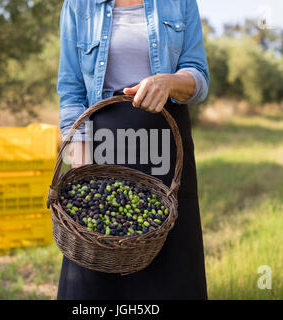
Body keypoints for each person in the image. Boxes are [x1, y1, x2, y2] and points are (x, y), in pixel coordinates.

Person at [56, 0, 209, 300]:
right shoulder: (78, 5)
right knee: (95, 264)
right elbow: (71, 88)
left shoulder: (179, 3)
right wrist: (81, 158)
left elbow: (199, 77)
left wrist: (170, 82)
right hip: (104, 145)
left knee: (171, 268)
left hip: (166, 144)